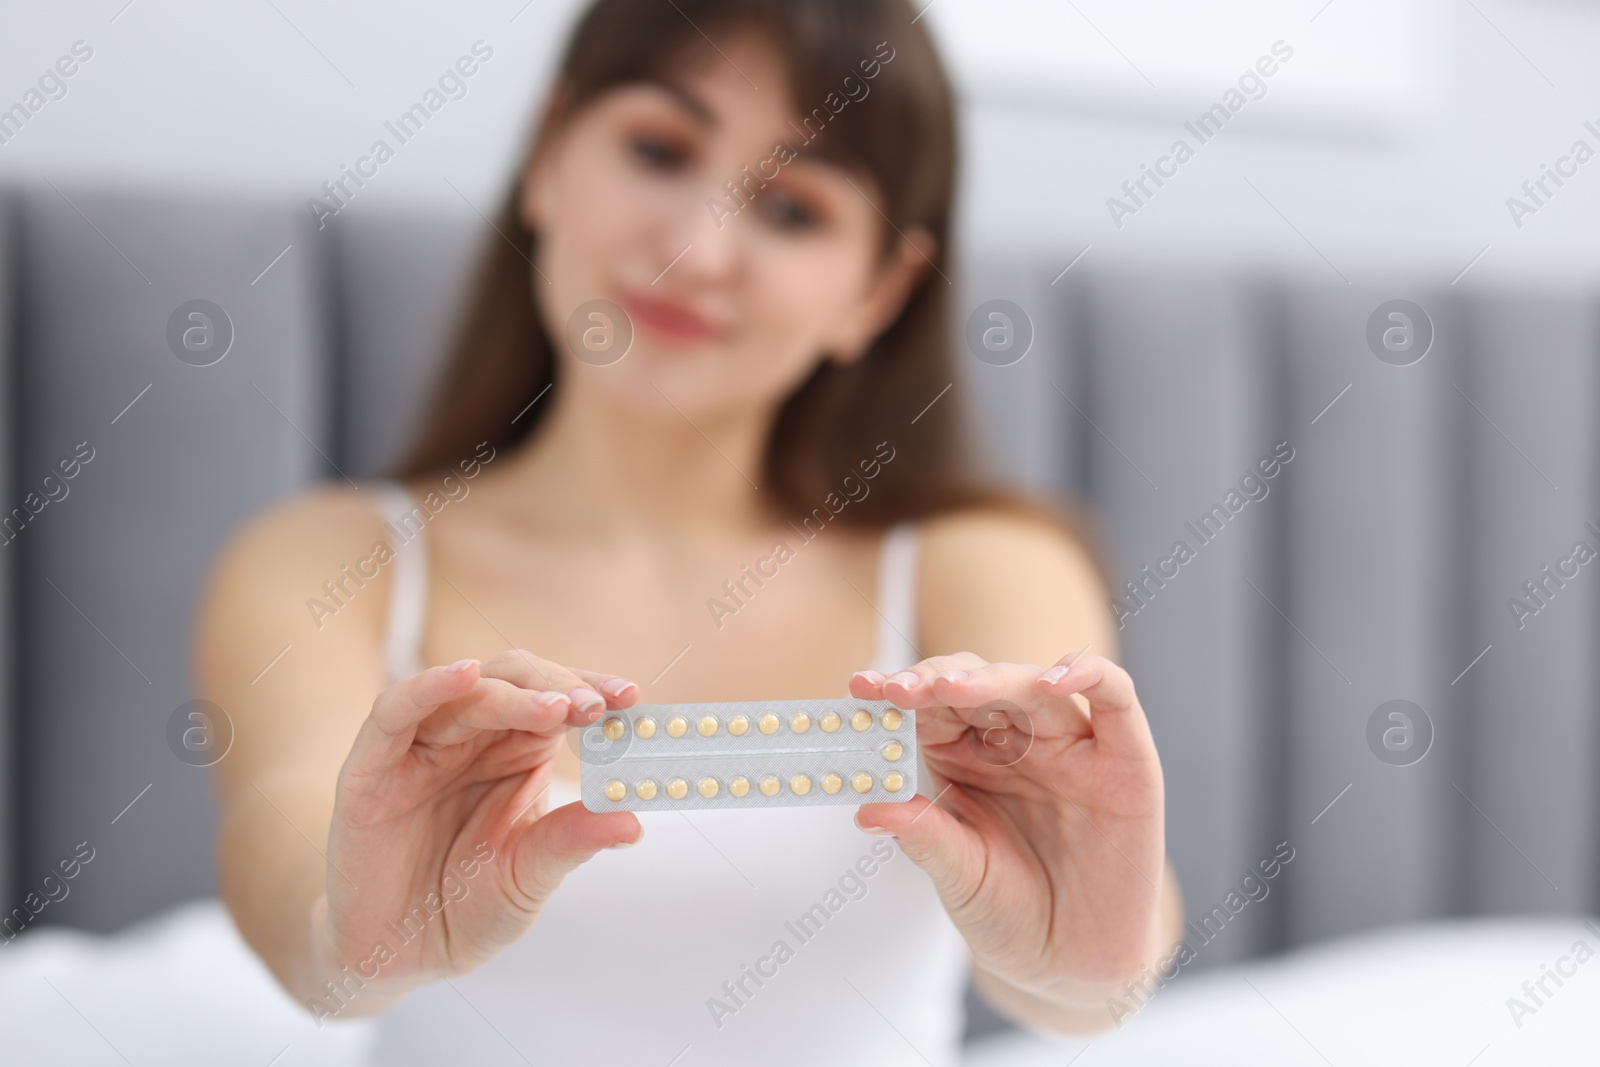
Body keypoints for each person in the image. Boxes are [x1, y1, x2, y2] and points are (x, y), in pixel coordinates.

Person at [198, 0, 1183, 1061]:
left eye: (795, 209)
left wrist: (1080, 971)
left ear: (879, 290)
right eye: (659, 149)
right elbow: (295, 867)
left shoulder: (984, 570)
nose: (696, 249)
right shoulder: (323, 563)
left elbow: (1093, 963)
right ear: (546, 156)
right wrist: (358, 940)